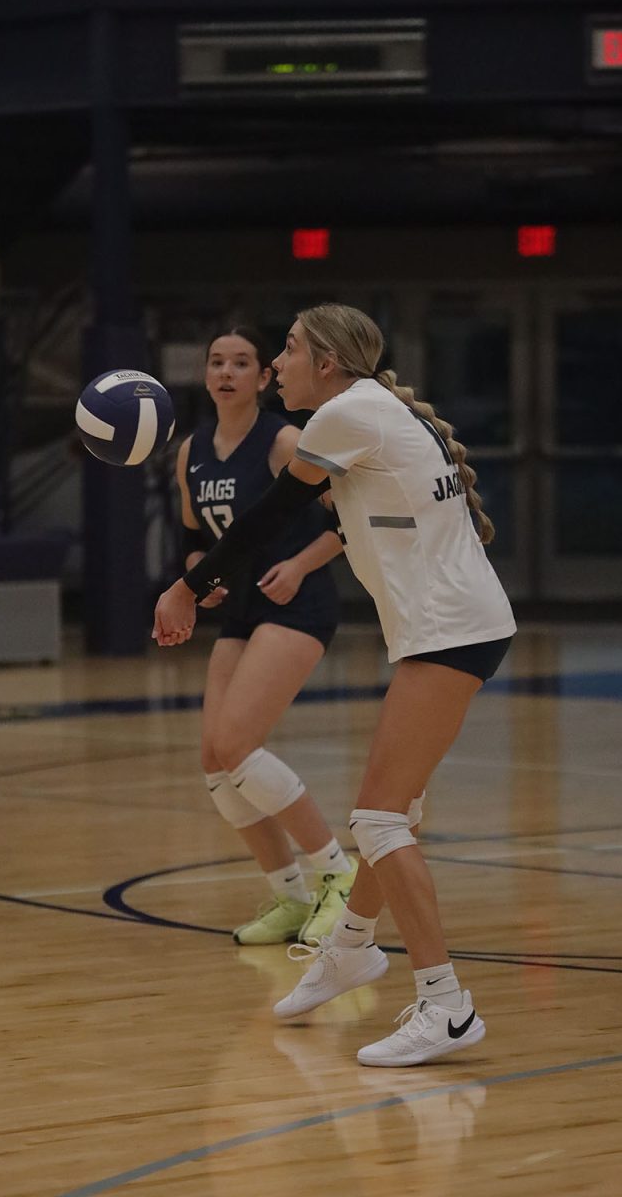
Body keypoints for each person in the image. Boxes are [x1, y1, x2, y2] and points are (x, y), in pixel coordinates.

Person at [154, 304, 516, 1068]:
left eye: (285, 350)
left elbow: (268, 515)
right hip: (458, 626)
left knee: (379, 821)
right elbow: (338, 526)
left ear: (327, 362)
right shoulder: (370, 415)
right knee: (399, 812)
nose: (276, 364)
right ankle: (351, 947)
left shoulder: (346, 415)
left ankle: (446, 1005)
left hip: (451, 631)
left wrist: (189, 587)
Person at [176, 324, 357, 947]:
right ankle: (289, 898)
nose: (227, 371)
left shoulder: (285, 439)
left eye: (243, 362)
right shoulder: (192, 449)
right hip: (242, 608)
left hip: (298, 600)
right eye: (216, 361)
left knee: (238, 745)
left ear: (261, 378)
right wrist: (203, 582)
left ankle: (338, 873)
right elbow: (198, 540)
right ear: (206, 375)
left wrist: (302, 563)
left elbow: (349, 519)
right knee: (213, 761)